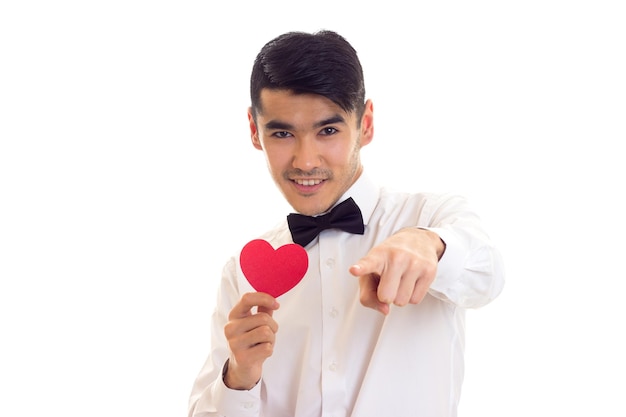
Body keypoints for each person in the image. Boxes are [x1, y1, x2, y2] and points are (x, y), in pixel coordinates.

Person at [188, 30, 505, 417]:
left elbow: (489, 276)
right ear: (255, 131)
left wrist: (430, 245)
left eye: (328, 131)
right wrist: (240, 377)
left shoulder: (433, 217)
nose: (306, 161)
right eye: (283, 133)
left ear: (366, 124)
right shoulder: (241, 272)